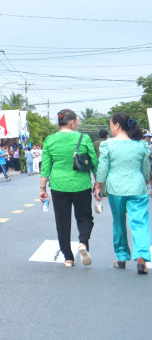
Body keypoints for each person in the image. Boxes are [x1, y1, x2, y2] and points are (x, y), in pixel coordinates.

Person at [40, 109, 99, 268]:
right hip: (81, 185)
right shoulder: (83, 138)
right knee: (85, 218)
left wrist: (42, 188)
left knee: (62, 221)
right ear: (72, 122)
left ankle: (68, 257)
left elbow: (45, 167)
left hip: (59, 185)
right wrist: (98, 183)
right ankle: (82, 243)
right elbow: (93, 162)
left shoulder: (49, 140)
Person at [94, 112, 150, 274]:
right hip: (138, 188)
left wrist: (98, 185)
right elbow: (146, 170)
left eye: (111, 124)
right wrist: (145, 180)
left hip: (115, 189)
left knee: (118, 222)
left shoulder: (108, 145)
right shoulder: (141, 145)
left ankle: (121, 257)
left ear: (117, 125)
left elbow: (103, 168)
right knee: (140, 222)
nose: (110, 128)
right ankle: (141, 257)